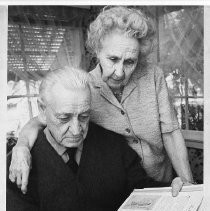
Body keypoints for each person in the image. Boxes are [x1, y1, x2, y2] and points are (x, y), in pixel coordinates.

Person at [9, 6, 194, 194]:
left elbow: (170, 131)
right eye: (113, 59)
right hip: (117, 185)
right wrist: (21, 146)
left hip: (162, 182)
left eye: (130, 61)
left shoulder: (153, 76)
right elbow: (43, 119)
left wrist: (189, 186)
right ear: (97, 50)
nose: (120, 72)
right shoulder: (84, 88)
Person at [7, 67, 186, 211]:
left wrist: (170, 189)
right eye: (64, 118)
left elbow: (141, 189)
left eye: (84, 116)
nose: (77, 130)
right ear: (42, 109)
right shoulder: (18, 165)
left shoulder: (113, 144)